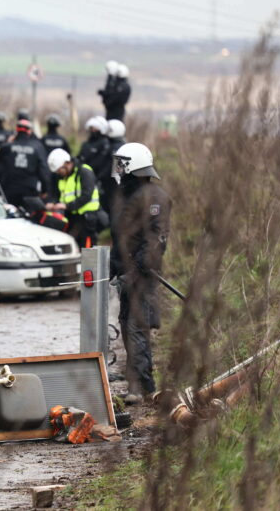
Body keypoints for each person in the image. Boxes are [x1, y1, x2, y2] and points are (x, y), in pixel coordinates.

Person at [110, 143, 171, 404]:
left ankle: (145, 387)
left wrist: (140, 266)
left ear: (134, 166)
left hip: (142, 273)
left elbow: (157, 236)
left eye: (123, 164)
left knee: (137, 325)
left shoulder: (154, 196)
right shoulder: (129, 193)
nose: (119, 169)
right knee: (127, 323)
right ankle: (135, 384)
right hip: (127, 271)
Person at [46, 149, 103, 248]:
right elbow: (56, 193)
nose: (59, 173)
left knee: (88, 250)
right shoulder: (63, 176)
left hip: (87, 218)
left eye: (60, 170)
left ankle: (90, 264)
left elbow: (87, 195)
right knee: (73, 247)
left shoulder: (84, 172)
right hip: (72, 217)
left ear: (67, 163)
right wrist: (53, 203)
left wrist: (66, 206)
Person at [0, 118, 49, 209]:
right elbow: (44, 170)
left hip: (9, 190)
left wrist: (7, 142)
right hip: (29, 191)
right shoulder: (37, 147)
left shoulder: (7, 147)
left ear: (17, 130)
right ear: (29, 131)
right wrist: (44, 190)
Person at [78, 116, 112, 205]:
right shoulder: (86, 144)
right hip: (84, 177)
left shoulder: (105, 143)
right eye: (91, 128)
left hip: (99, 179)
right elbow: (81, 157)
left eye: (94, 128)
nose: (92, 130)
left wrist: (98, 177)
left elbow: (103, 163)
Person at [101, 119, 127, 213]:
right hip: (113, 185)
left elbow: (117, 172)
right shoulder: (117, 145)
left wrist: (100, 177)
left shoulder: (117, 148)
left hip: (113, 187)